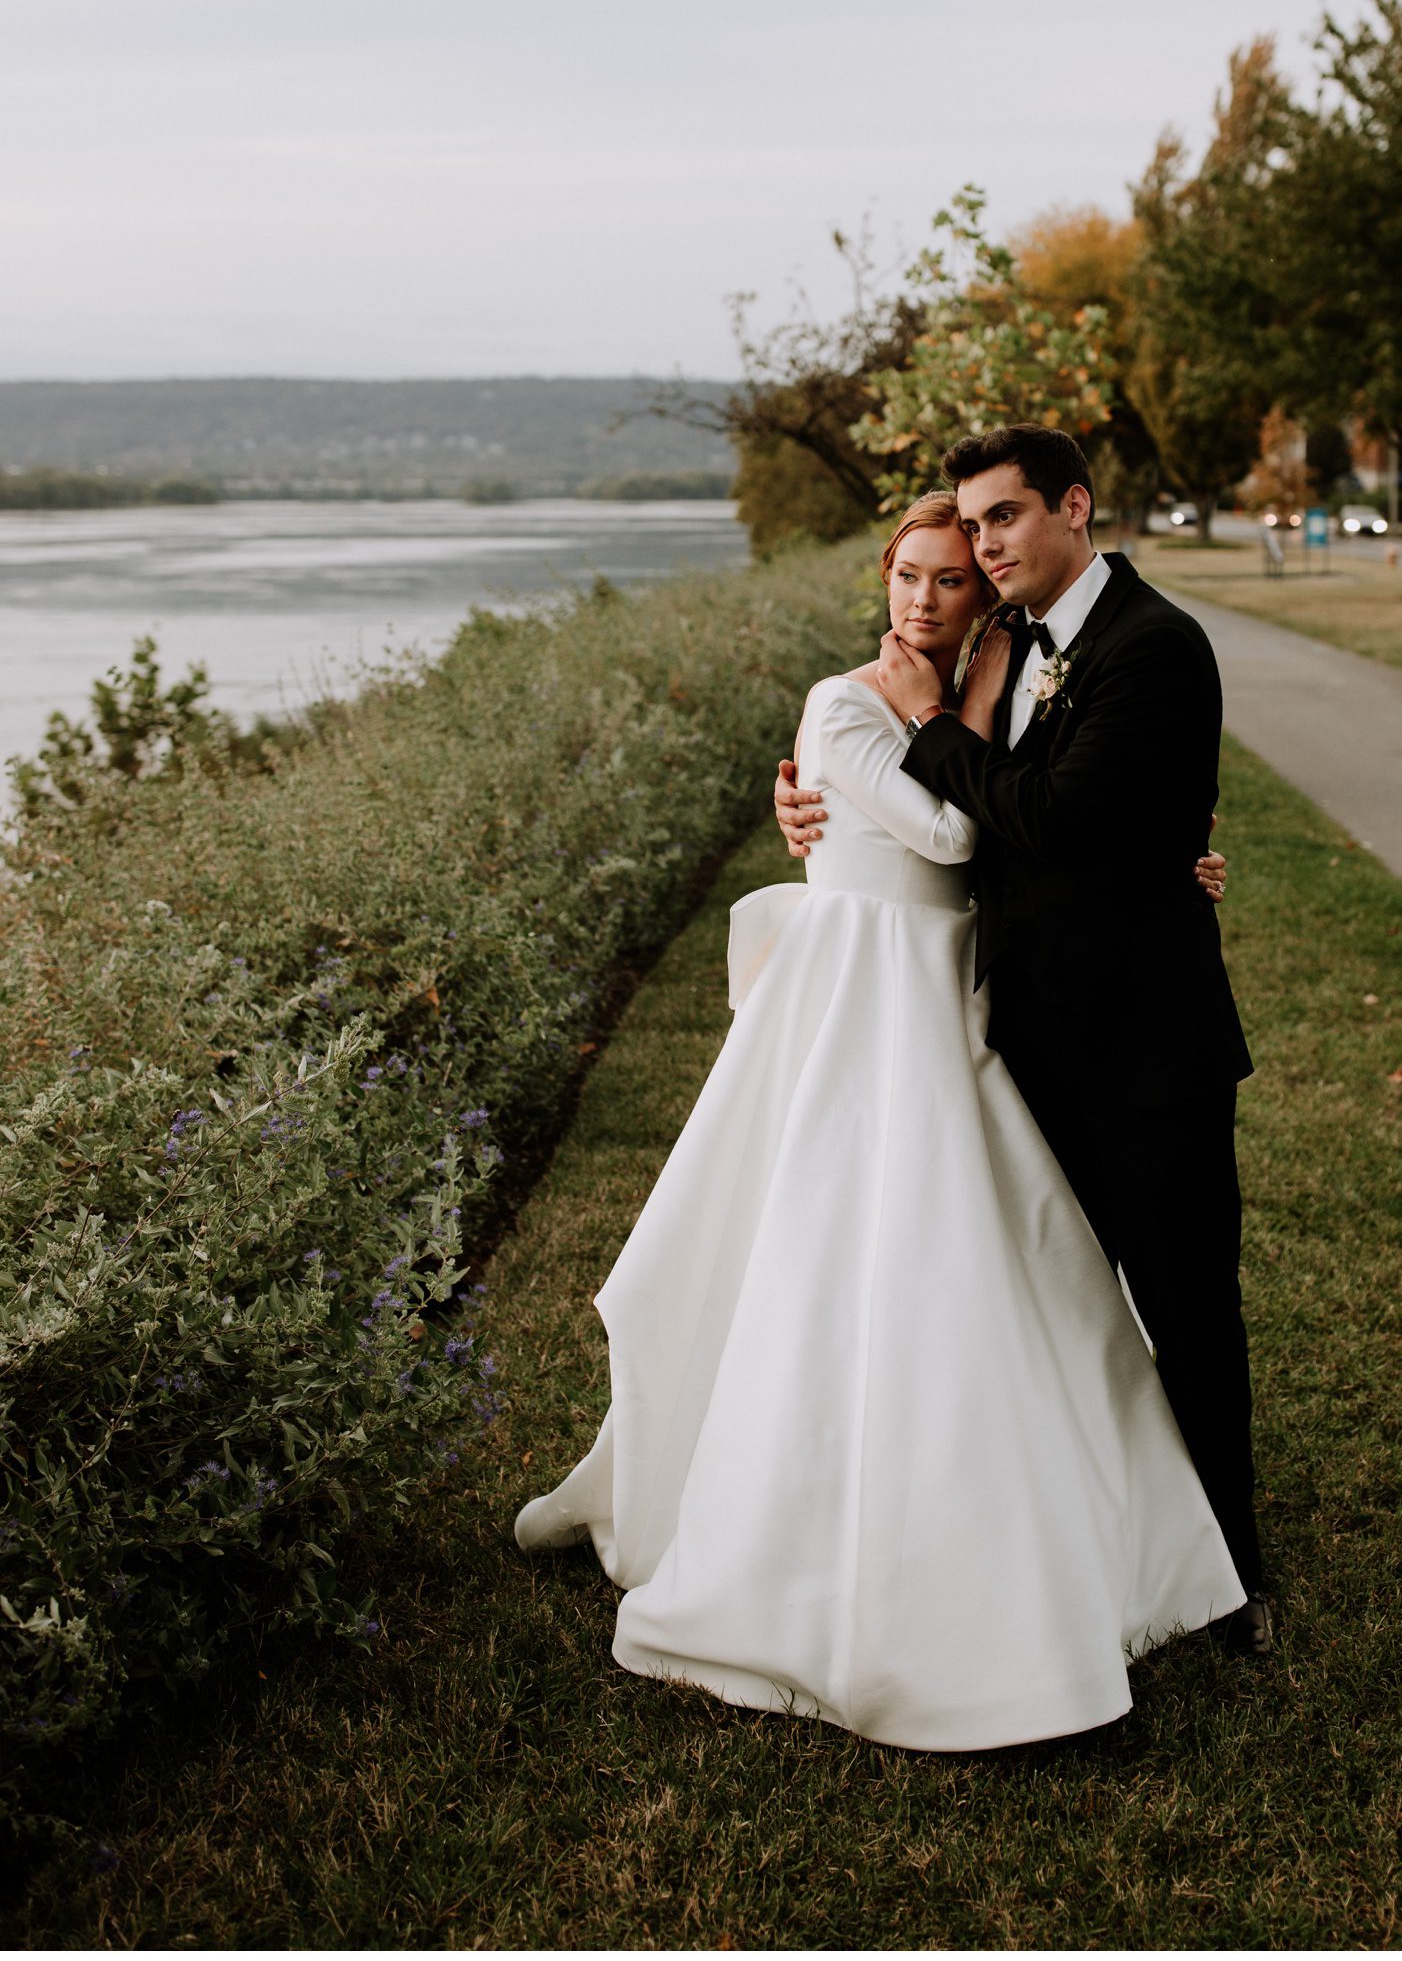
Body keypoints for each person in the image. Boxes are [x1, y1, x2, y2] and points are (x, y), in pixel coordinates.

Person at [515, 492, 1246, 1751]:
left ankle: (1102, 1526)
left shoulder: (1018, 690)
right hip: (868, 1015)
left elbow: (1055, 814)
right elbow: (957, 825)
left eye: (952, 580)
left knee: (1004, 1268)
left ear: (988, 596)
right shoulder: (845, 702)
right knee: (843, 1256)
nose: (921, 599)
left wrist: (1165, 854)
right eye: (906, 575)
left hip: (964, 1001)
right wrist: (920, 726)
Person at [776, 426, 1269, 1652]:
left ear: (1074, 507)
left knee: (1186, 1310)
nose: (985, 545)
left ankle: (1231, 1574)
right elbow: (938, 817)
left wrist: (923, 719)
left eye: (1004, 519)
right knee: (1050, 1307)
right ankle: (1083, 1533)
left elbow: (1051, 815)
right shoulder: (1013, 646)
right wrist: (817, 816)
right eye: (970, 526)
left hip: (1145, 1050)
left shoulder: (1153, 646)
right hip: (1022, 1042)